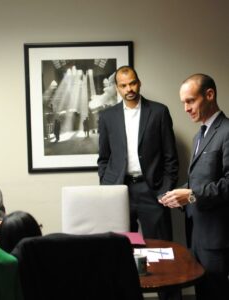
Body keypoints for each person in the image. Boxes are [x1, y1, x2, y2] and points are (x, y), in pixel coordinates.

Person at [159, 74, 229, 300]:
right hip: (197, 236)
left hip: (217, 238)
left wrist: (190, 195)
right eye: (183, 103)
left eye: (190, 101)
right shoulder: (199, 135)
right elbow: (200, 180)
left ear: (210, 95)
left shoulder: (227, 131)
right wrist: (176, 195)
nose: (186, 108)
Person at [97, 66, 179, 241]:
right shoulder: (107, 117)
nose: (129, 89)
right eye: (123, 85)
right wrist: (107, 185)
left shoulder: (159, 112)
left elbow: (170, 157)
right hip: (119, 189)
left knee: (160, 247)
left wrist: (165, 189)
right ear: (117, 88)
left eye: (132, 83)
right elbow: (104, 158)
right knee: (120, 247)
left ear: (139, 83)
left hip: (152, 189)